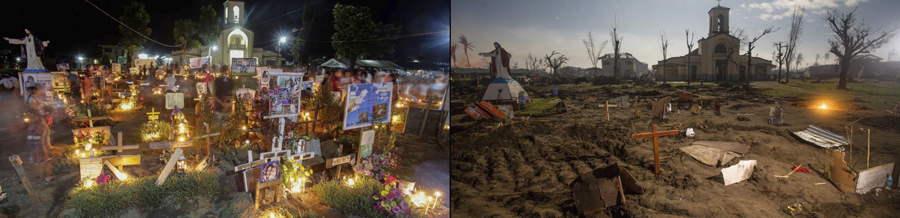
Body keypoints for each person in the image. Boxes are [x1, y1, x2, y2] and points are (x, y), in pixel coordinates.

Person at [25, 85, 51, 165]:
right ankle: (38, 159)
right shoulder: (32, 99)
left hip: (37, 120)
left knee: (37, 140)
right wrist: (38, 120)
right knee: (38, 141)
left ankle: (39, 158)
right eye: (38, 90)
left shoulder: (32, 98)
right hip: (37, 120)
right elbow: (33, 111)